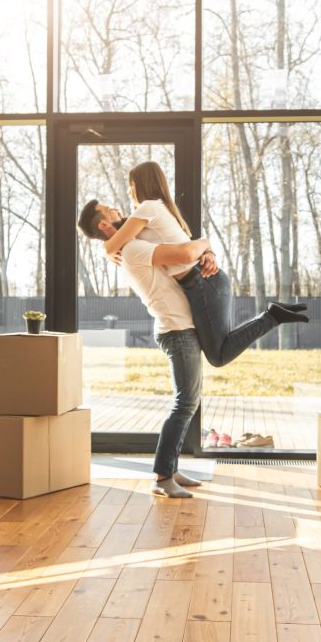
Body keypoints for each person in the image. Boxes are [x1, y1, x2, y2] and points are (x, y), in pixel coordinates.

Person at [102, 161, 308, 367]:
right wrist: (209, 250)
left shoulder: (149, 208)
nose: (129, 191)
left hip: (204, 283)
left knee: (218, 356)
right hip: (203, 283)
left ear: (142, 185)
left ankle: (272, 317)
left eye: (132, 185)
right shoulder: (158, 210)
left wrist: (109, 251)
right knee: (219, 350)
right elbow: (120, 241)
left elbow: (112, 246)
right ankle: (272, 316)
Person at [78, 199, 211, 499]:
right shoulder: (134, 249)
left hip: (178, 327)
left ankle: (171, 468)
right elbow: (186, 252)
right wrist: (206, 241)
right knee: (185, 403)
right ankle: (163, 477)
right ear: (103, 224)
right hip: (176, 329)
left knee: (188, 402)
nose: (117, 208)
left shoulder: (129, 246)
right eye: (109, 209)